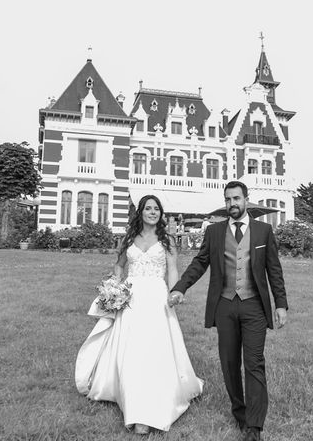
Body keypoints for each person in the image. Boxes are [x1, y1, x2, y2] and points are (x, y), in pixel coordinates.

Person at [168, 181, 288, 441]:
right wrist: (180, 288)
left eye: (236, 198)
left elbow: (274, 270)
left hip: (254, 304)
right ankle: (240, 414)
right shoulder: (214, 231)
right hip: (225, 304)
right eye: (227, 199)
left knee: (254, 362)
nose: (231, 204)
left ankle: (254, 427)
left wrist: (280, 304)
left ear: (246, 199)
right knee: (230, 363)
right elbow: (199, 263)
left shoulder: (264, 231)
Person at [75, 195, 203, 434]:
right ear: (140, 212)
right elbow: (119, 265)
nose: (152, 212)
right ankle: (134, 405)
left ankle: (149, 408)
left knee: (154, 349)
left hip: (157, 299)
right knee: (131, 349)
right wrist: (115, 286)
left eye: (156, 209)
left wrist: (175, 293)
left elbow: (173, 270)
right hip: (131, 299)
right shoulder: (128, 239)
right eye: (148, 208)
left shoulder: (167, 242)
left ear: (161, 214)